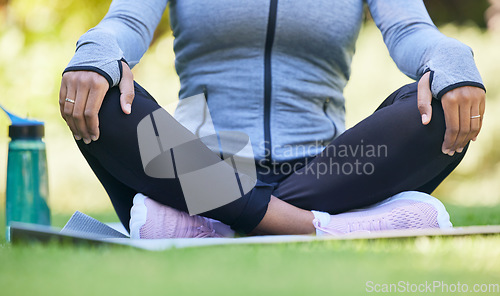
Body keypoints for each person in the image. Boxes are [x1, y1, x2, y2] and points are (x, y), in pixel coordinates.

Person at [59, 0, 486, 238]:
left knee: (438, 106)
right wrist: (96, 55)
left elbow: (411, 29)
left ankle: (215, 225)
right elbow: (126, 21)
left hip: (328, 176)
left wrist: (451, 61)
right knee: (101, 96)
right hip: (200, 170)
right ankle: (320, 227)